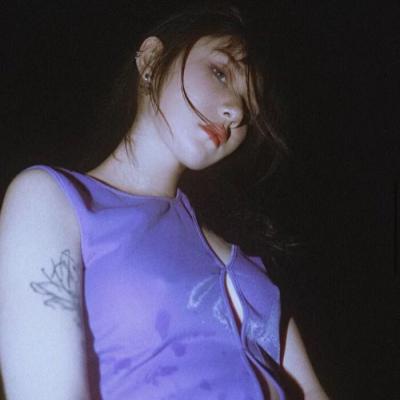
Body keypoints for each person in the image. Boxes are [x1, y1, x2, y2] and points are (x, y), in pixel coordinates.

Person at [0, 3, 329, 399]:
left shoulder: (248, 264)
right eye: (220, 73)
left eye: (250, 108)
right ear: (152, 59)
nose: (235, 112)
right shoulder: (53, 200)